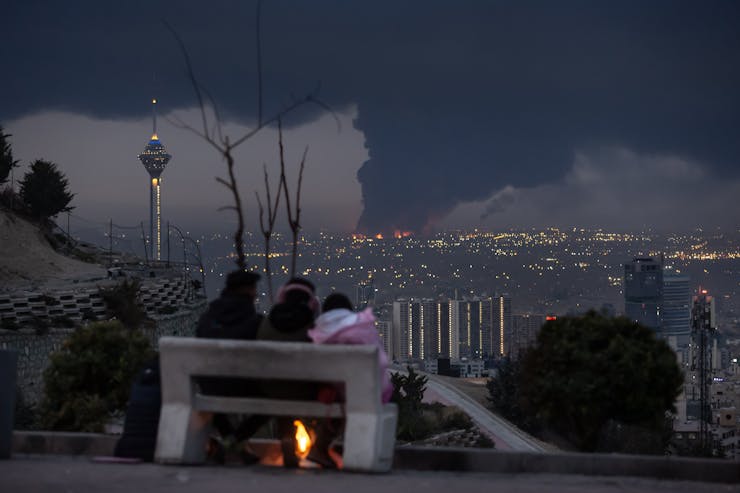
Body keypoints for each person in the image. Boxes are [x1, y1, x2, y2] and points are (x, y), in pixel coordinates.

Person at [305, 293, 393, 468]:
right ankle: (344, 448)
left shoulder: (318, 330)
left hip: (324, 391)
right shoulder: (361, 328)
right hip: (361, 391)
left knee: (340, 396)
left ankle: (322, 448)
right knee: (352, 398)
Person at [196, 269, 264, 464]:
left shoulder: (207, 319)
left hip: (207, 387)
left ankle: (229, 441)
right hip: (241, 387)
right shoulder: (254, 322)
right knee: (274, 397)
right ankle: (236, 440)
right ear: (249, 292)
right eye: (254, 289)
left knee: (214, 392)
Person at [256, 277, 320, 467]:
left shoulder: (268, 321)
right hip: (304, 392)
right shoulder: (312, 326)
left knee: (282, 386)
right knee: (296, 386)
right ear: (311, 301)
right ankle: (318, 446)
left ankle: (287, 437)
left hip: (269, 389)